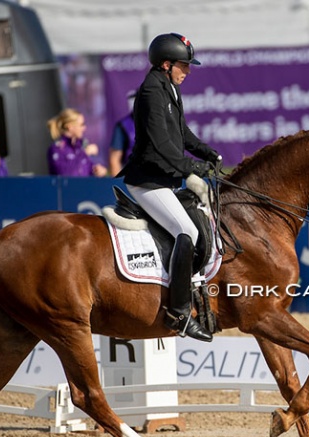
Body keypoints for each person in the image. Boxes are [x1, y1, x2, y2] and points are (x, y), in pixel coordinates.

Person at [119, 33, 222, 343]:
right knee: (187, 233)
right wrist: (192, 168)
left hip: (164, 180)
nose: (187, 71)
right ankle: (179, 314)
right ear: (166, 64)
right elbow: (162, 145)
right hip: (148, 182)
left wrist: (208, 153)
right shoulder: (151, 92)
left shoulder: (170, 89)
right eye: (183, 66)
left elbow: (181, 134)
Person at [47, 108, 107, 177]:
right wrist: (85, 153)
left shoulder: (80, 147)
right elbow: (65, 174)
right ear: (70, 126)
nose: (84, 128)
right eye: (81, 124)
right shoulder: (56, 149)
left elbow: (86, 170)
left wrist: (98, 171)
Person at [108, 90, 137, 177]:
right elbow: (114, 159)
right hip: (132, 177)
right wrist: (119, 184)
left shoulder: (156, 122)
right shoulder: (123, 126)